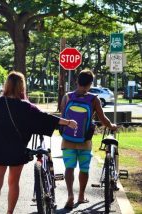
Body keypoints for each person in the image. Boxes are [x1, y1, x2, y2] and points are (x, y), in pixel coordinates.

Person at [0, 71, 78, 214]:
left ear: (7, 84)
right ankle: (9, 212)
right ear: (22, 86)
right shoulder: (27, 107)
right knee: (13, 182)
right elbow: (45, 118)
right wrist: (68, 122)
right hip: (17, 148)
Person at [60, 70, 117, 210]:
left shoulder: (67, 97)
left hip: (67, 140)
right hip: (84, 141)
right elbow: (103, 119)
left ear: (77, 81)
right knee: (84, 169)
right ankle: (80, 196)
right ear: (91, 83)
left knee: (69, 168)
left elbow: (62, 119)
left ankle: (70, 196)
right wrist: (112, 126)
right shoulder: (93, 99)